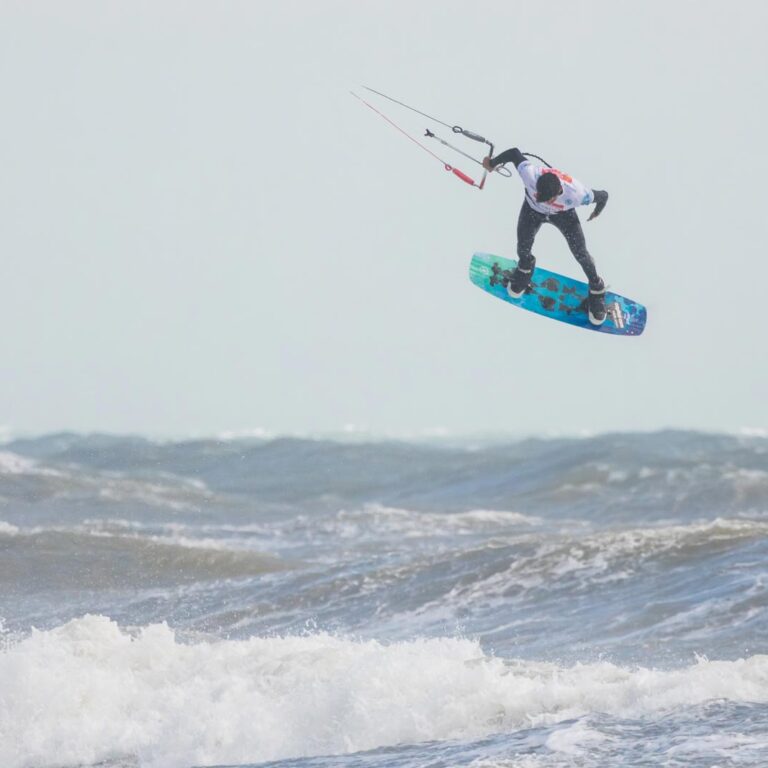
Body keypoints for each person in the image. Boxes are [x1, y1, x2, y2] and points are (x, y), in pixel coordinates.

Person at [482, 149, 609, 325]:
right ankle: (525, 268)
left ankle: (597, 288)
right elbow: (514, 153)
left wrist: (598, 210)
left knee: (581, 253)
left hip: (563, 215)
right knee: (523, 247)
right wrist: (492, 163)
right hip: (532, 211)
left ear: (558, 192)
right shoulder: (529, 174)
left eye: (547, 199)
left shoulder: (577, 194)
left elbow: (603, 196)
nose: (543, 200)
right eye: (539, 196)